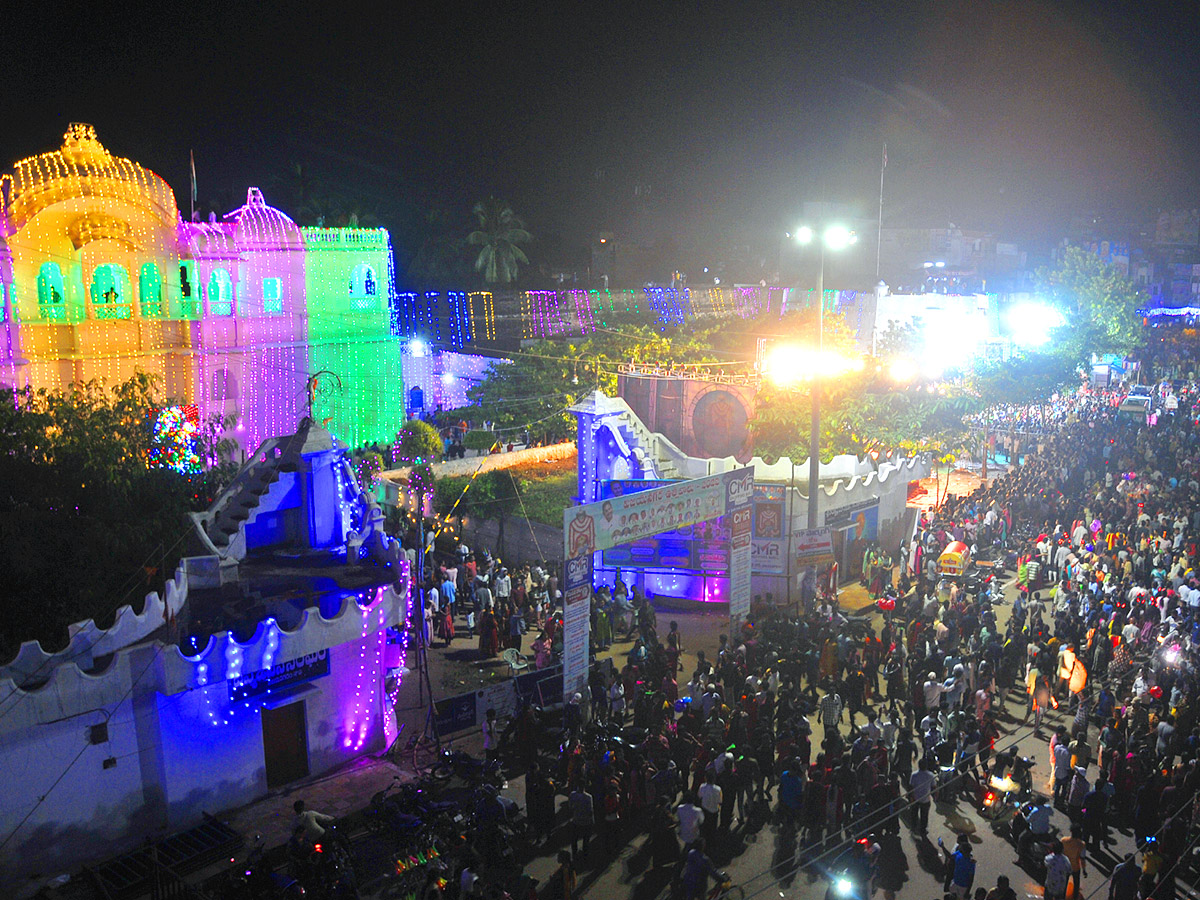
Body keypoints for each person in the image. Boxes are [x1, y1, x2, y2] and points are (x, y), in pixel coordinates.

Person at [909, 759, 936, 833]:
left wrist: (911, 797)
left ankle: (913, 828)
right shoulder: (930, 775)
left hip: (915, 798)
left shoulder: (914, 775)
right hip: (926, 799)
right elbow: (934, 787)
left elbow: (911, 786)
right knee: (924, 816)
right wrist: (935, 797)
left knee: (914, 814)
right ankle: (923, 829)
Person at [1061, 824, 1088, 899]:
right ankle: (1075, 897)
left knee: (1064, 884)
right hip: (1075, 867)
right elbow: (1082, 858)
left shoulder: (1063, 840)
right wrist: (1084, 870)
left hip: (1065, 866)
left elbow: (1060, 853)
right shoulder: (1081, 844)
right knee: (1076, 884)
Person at [569, 784, 594, 861]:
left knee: (574, 839)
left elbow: (570, 807)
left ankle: (574, 854)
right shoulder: (588, 797)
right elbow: (590, 810)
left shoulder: (572, 795)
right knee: (586, 839)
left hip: (576, 820)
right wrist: (592, 821)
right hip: (586, 821)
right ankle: (585, 855)